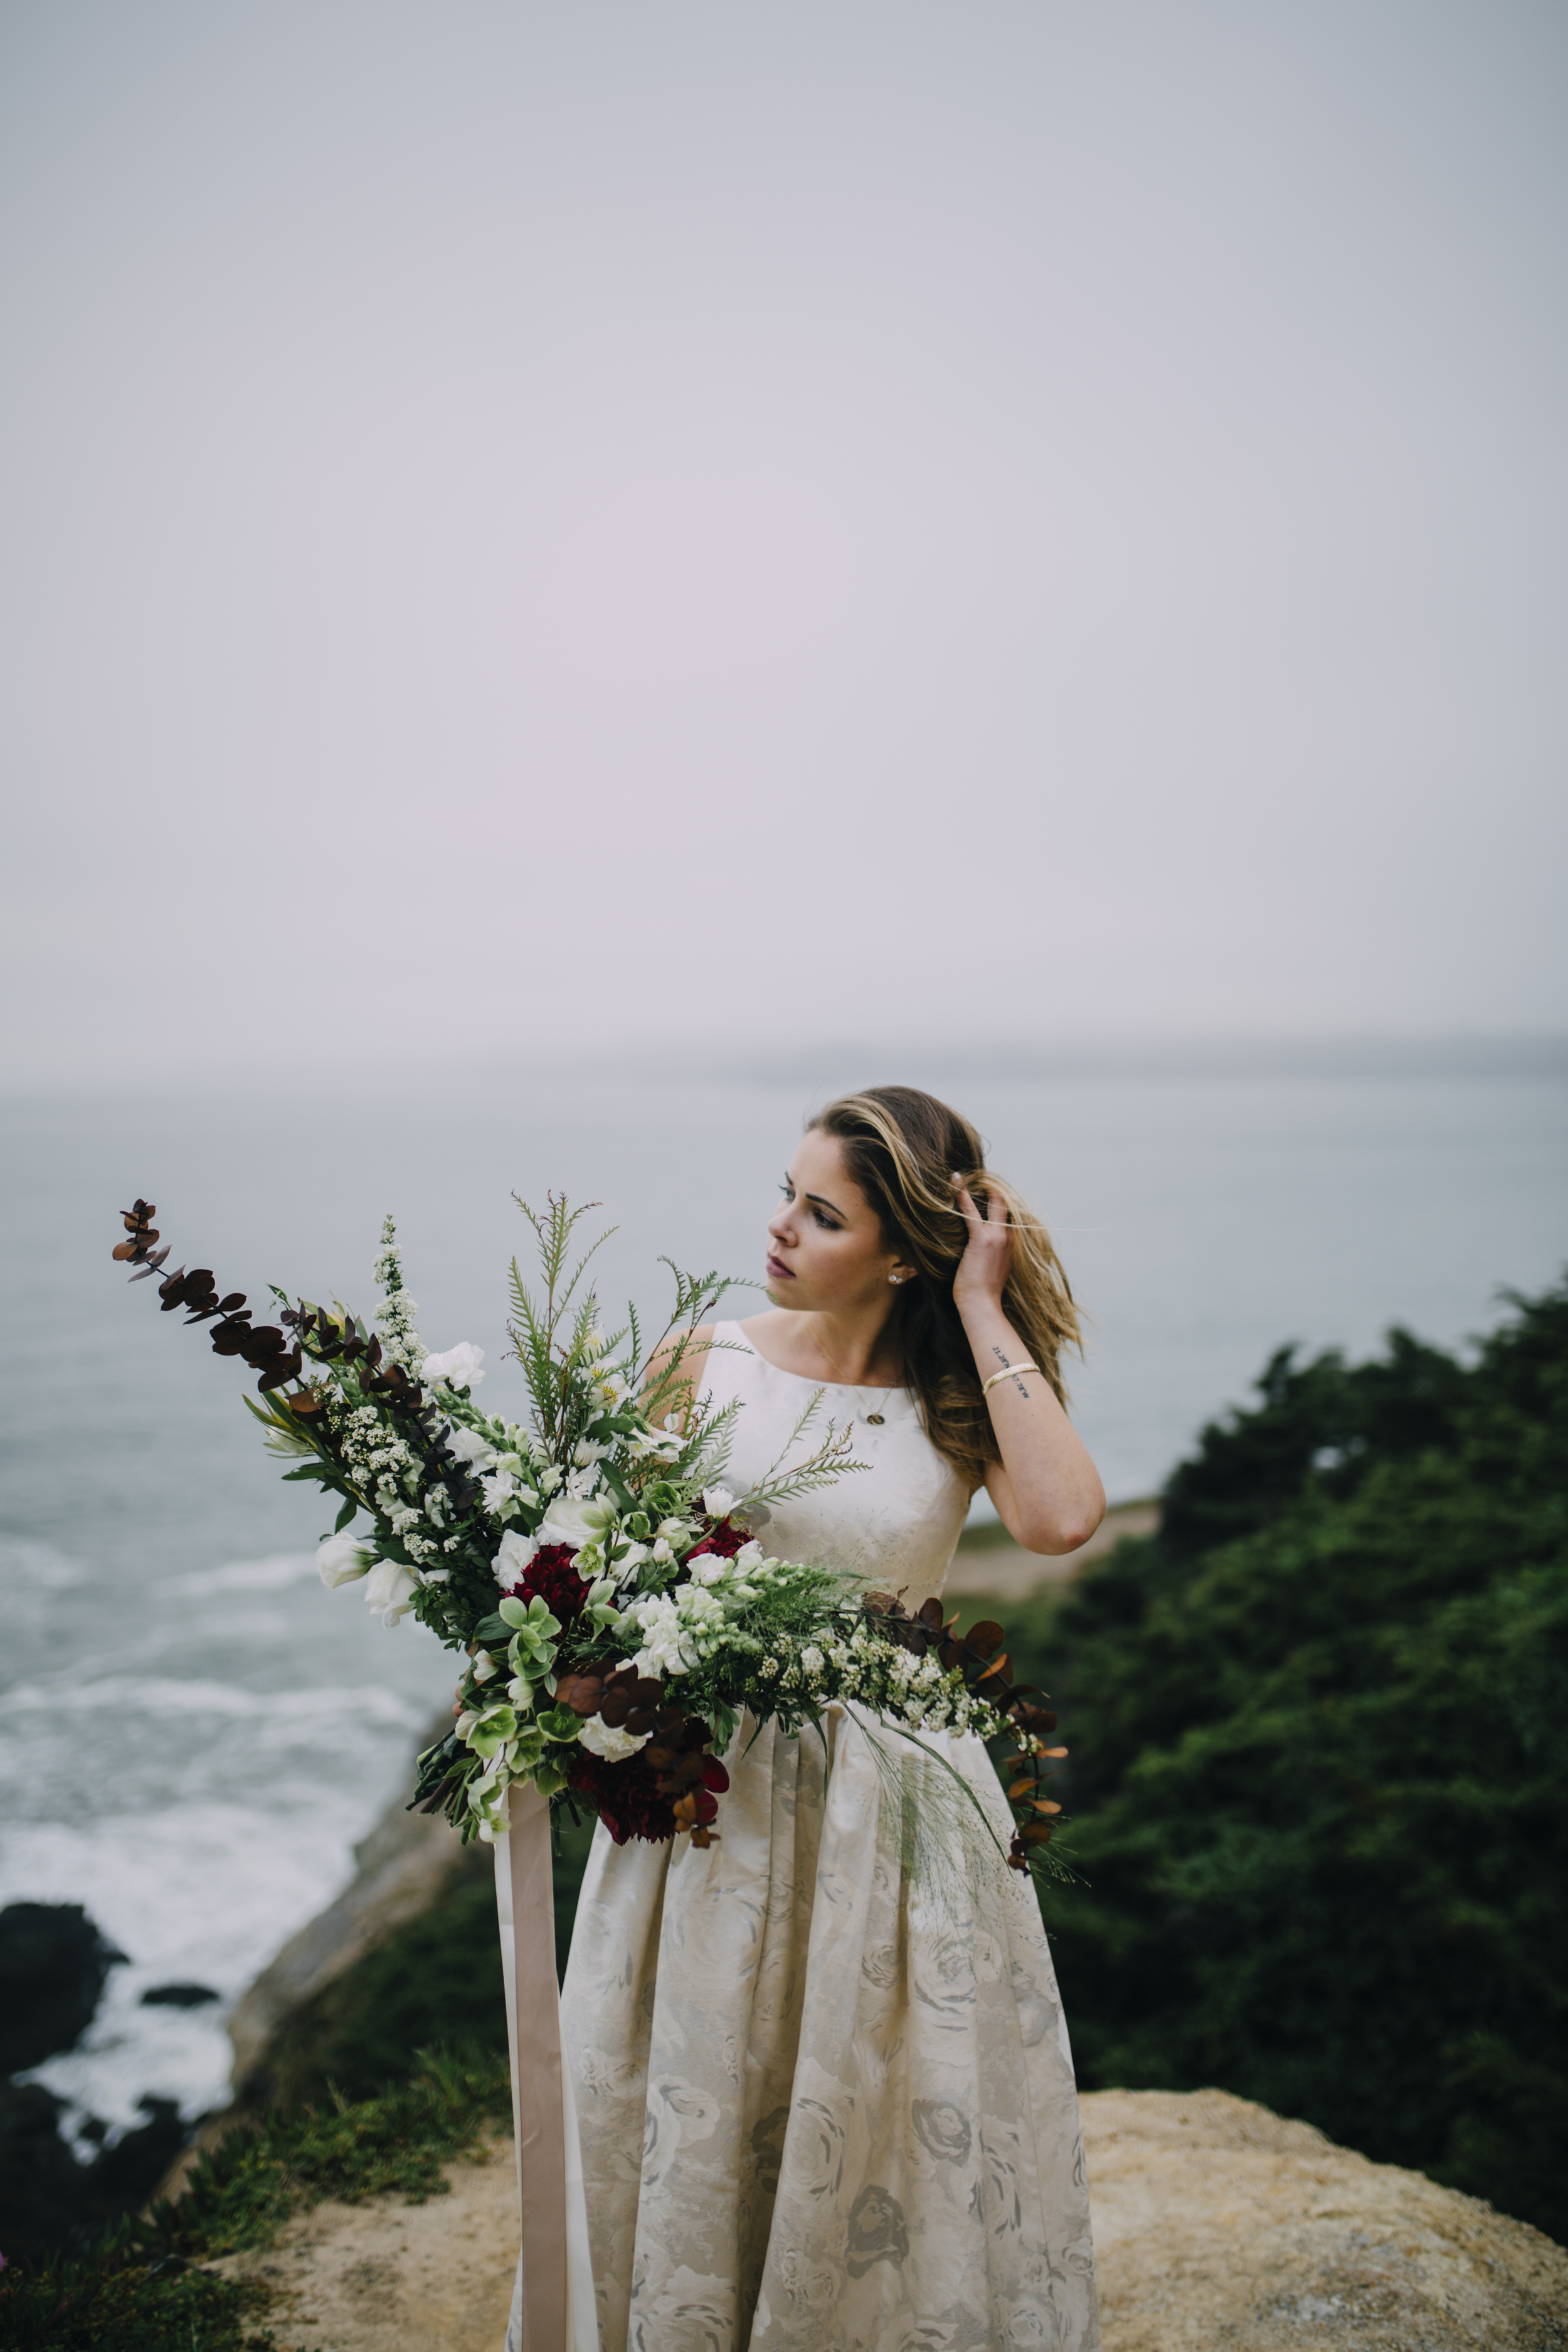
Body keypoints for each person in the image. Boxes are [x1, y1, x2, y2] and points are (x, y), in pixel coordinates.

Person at [556, 1085, 1104, 2351]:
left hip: (896, 1804)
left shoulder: (955, 1397)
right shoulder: (699, 1363)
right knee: (699, 2086)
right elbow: (595, 1564)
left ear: (903, 1252)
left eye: (820, 1214)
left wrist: (978, 1305)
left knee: (874, 2106)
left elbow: (1062, 1520)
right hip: (709, 1795)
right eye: (783, 1195)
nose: (779, 1230)